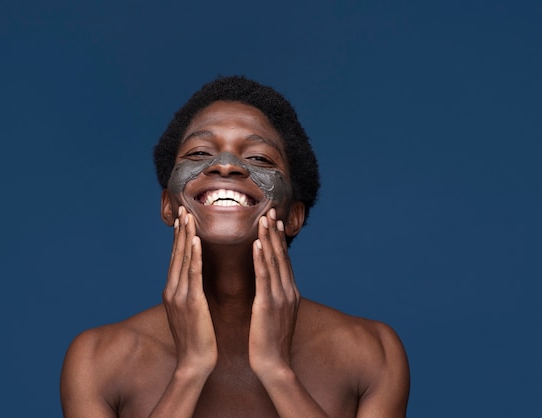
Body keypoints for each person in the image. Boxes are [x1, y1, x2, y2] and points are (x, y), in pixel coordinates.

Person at [60, 76, 410, 417]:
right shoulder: (97, 360)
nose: (226, 165)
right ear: (168, 205)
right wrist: (190, 371)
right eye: (199, 152)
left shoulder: (371, 353)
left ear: (294, 216)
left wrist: (277, 372)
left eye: (259, 158)